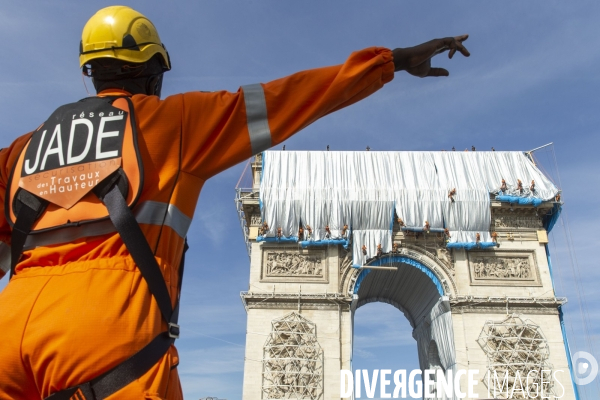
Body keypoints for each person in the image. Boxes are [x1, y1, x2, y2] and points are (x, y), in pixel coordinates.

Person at [0, 5, 469, 399]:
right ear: (153, 71)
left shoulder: (21, 152)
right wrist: (393, 61)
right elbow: (294, 98)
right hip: (106, 334)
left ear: (90, 71)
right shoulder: (176, 122)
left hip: (8, 331)